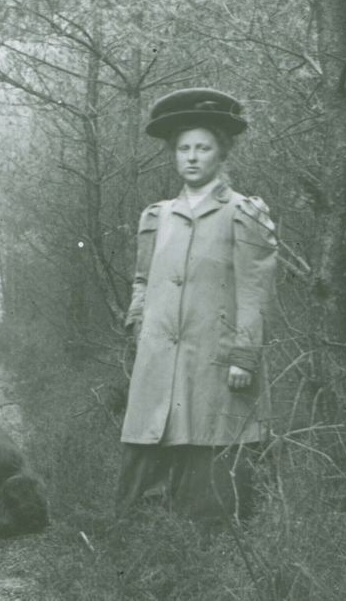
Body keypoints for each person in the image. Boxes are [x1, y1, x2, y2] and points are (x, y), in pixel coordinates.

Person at [116, 89, 278, 525]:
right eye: (183, 148)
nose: (192, 157)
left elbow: (256, 292)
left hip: (214, 364)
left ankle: (204, 560)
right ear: (173, 154)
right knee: (148, 460)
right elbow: (143, 279)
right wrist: (139, 327)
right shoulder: (157, 216)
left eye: (203, 148)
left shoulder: (244, 214)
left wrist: (244, 355)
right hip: (158, 365)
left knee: (209, 464)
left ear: (221, 153)